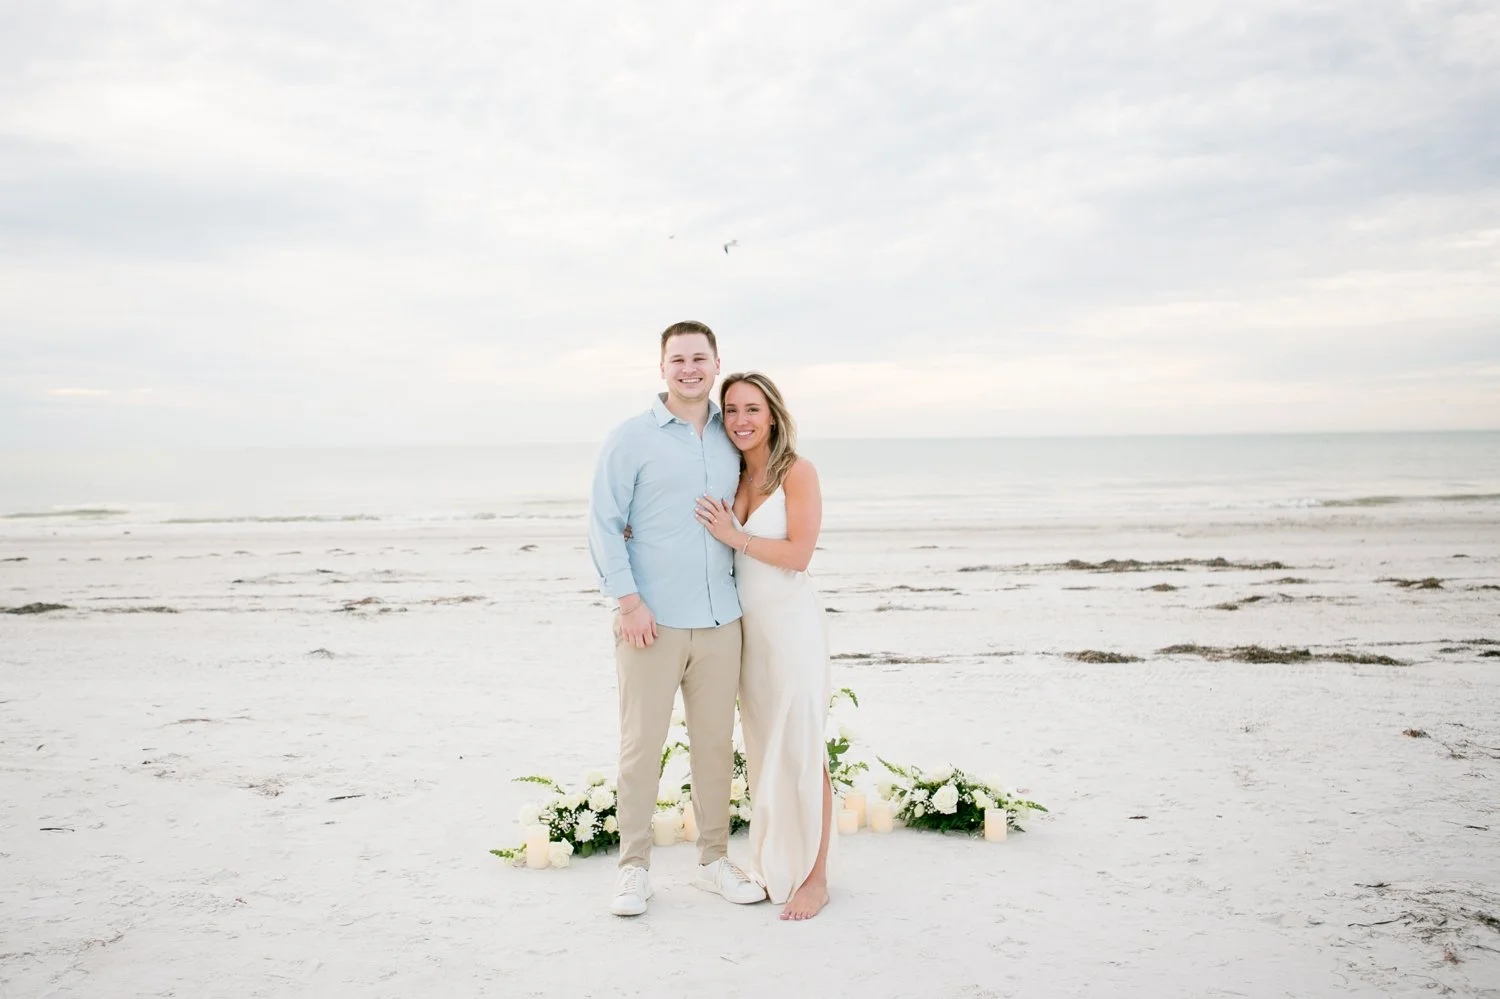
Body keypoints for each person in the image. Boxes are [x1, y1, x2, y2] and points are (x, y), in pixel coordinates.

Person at [587, 321, 767, 917]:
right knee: (642, 747)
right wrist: (629, 602)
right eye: (678, 359)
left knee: (716, 747)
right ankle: (633, 870)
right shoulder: (631, 437)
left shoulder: (732, 436)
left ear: (717, 364)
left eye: (699, 358)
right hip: (651, 623)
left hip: (722, 622)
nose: (689, 368)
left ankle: (714, 860)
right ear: (661, 367)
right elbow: (605, 524)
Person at [694, 371, 834, 921]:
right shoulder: (730, 478)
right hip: (747, 633)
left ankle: (817, 878)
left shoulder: (797, 473)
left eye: (752, 408)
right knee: (764, 748)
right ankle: (775, 858)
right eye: (730, 410)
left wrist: (737, 537)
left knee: (803, 746)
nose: (741, 420)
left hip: (792, 627)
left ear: (772, 414)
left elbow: (799, 555)